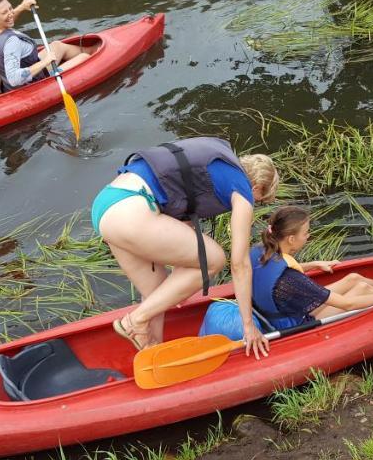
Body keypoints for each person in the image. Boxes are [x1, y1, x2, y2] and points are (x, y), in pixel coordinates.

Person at [92, 138, 279, 357]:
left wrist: (179, 288)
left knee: (156, 293)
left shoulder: (214, 168)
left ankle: (152, 355)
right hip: (132, 209)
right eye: (261, 200)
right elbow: (239, 264)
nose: (256, 203)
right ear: (257, 187)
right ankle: (135, 320)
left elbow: (181, 242)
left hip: (106, 207)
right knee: (215, 259)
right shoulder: (242, 187)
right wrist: (248, 326)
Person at [250, 205, 373, 330]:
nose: (308, 236)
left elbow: (276, 270)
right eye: (306, 233)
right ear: (291, 239)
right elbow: (347, 304)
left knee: (354, 278)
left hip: (284, 309)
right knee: (363, 288)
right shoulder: (292, 279)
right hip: (296, 323)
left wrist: (313, 265)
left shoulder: (260, 249)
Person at [0, 0, 95, 92]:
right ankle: (92, 53)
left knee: (56, 45)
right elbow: (14, 79)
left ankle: (93, 49)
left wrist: (22, 6)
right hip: (31, 83)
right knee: (84, 58)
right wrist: (45, 62)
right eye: (4, 12)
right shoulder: (12, 42)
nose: (10, 13)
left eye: (10, 8)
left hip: (11, 82)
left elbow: (5, 20)